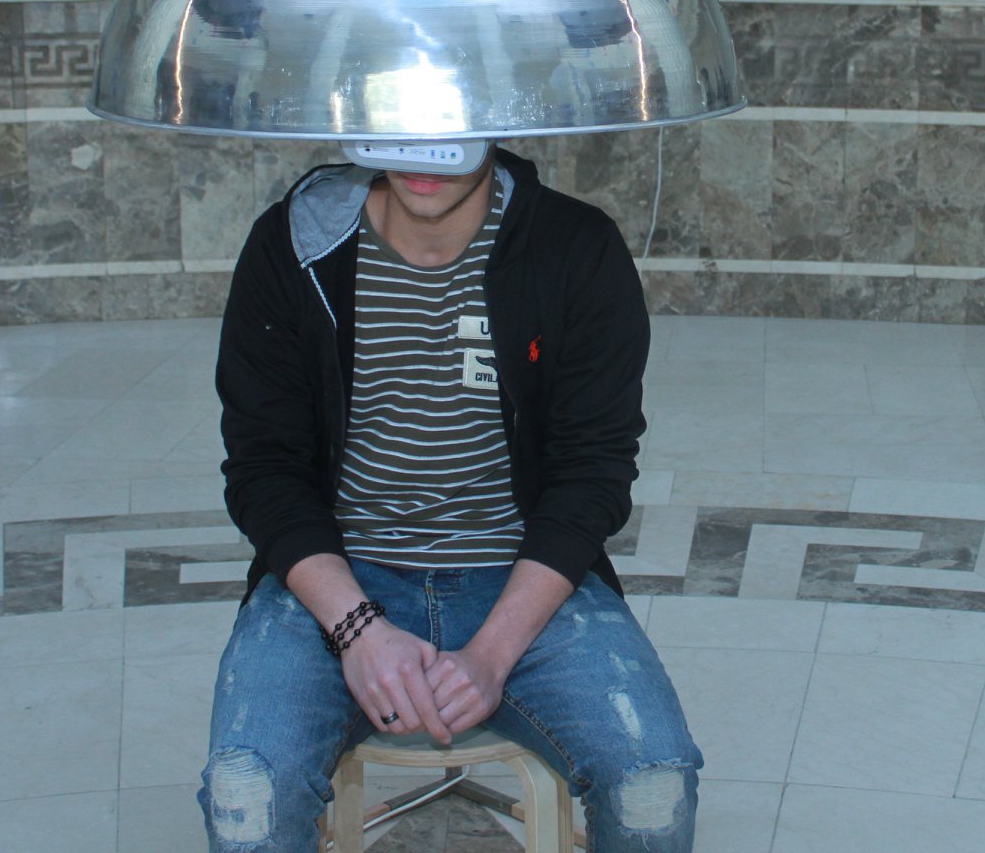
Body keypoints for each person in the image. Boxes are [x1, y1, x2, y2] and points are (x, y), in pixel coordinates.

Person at [199, 140, 701, 852]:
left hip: (521, 576)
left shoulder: (574, 246)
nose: (422, 156)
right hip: (338, 578)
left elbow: (592, 473)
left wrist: (492, 655)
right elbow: (263, 467)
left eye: (450, 127)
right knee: (247, 788)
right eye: (398, 125)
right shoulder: (294, 245)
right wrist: (357, 630)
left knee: (652, 781)